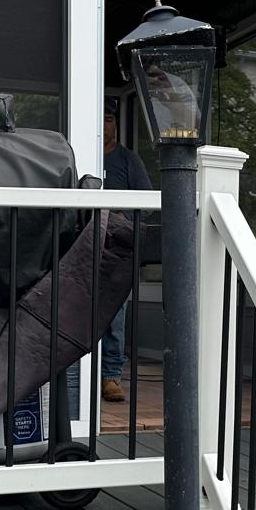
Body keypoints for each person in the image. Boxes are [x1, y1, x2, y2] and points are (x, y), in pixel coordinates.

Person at [100, 98, 151, 401]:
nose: (104, 125)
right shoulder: (80, 154)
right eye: (100, 119)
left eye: (109, 119)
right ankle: (79, 376)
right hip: (82, 246)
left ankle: (110, 377)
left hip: (118, 252)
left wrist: (122, 219)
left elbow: (148, 202)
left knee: (115, 315)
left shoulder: (128, 160)